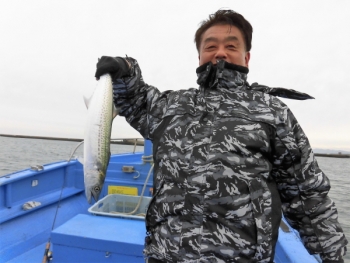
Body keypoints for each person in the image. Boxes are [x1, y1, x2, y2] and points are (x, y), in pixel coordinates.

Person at [95, 9, 347, 263]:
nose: (220, 52)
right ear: (200, 56)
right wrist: (124, 70)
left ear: (246, 58)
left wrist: (332, 255)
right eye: (211, 46)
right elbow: (135, 99)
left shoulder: (271, 111)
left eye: (231, 45)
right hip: (165, 256)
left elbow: (305, 194)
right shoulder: (171, 106)